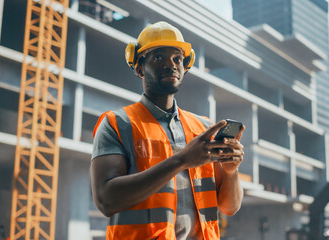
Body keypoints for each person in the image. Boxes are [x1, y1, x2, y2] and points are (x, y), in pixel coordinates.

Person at [90, 21, 245, 240]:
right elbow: (106, 200)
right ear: (139, 67)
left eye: (177, 59)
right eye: (158, 57)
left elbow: (229, 207)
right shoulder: (117, 123)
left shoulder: (201, 127)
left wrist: (231, 172)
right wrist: (181, 160)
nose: (171, 64)